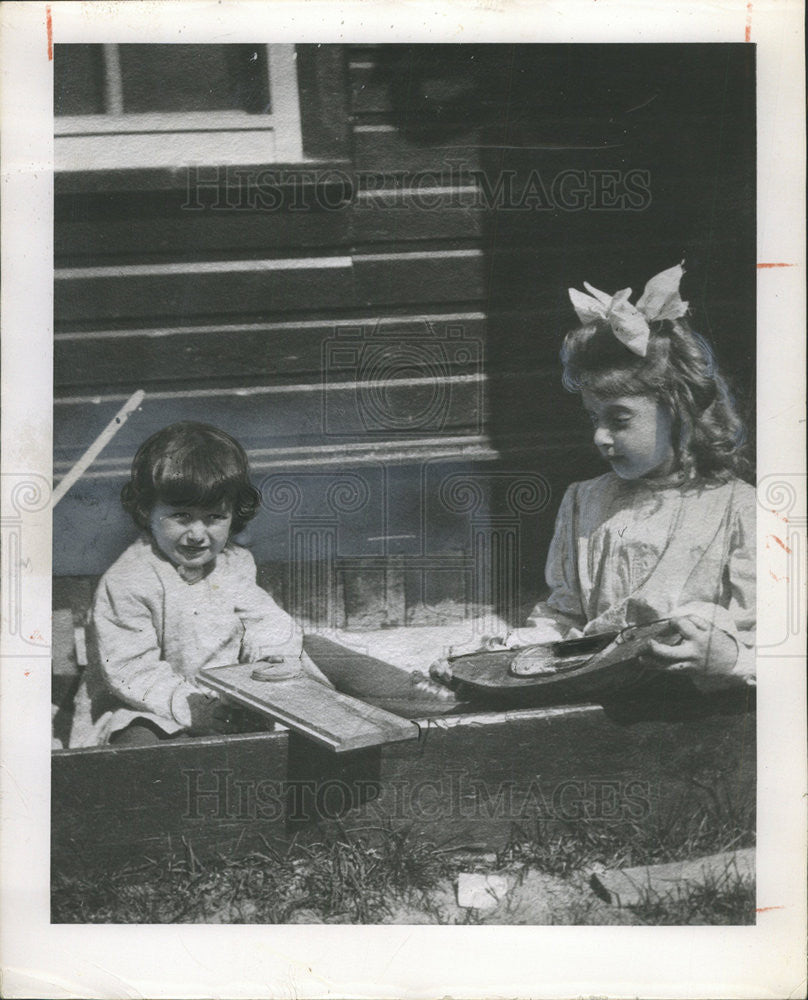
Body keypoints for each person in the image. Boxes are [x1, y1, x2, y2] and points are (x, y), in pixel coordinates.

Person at [432, 263, 755, 694]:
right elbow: (562, 618)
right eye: (593, 418)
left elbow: (773, 636)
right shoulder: (585, 501)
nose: (600, 436)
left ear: (679, 413)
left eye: (619, 419)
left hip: (698, 705)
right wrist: (515, 650)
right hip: (600, 701)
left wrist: (731, 659)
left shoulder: (740, 508)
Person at [69, 422, 330, 747]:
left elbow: (266, 622)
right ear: (147, 510)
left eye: (213, 518)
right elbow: (131, 669)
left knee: (285, 731)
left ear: (234, 515)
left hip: (224, 702)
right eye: (181, 516)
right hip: (147, 704)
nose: (197, 533)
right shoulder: (129, 579)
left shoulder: (234, 564)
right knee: (139, 743)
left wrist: (271, 658)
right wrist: (192, 707)